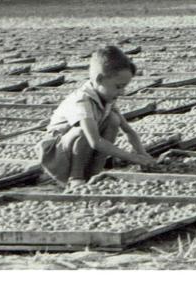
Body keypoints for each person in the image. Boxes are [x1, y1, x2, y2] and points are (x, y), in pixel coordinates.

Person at [40, 45, 157, 187]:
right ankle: (75, 177)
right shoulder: (82, 101)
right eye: (118, 87)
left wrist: (142, 153)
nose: (122, 92)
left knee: (113, 120)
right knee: (83, 130)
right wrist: (133, 158)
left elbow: (128, 130)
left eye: (124, 87)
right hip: (57, 155)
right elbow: (95, 142)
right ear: (100, 79)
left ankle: (94, 173)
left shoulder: (107, 98)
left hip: (78, 149)